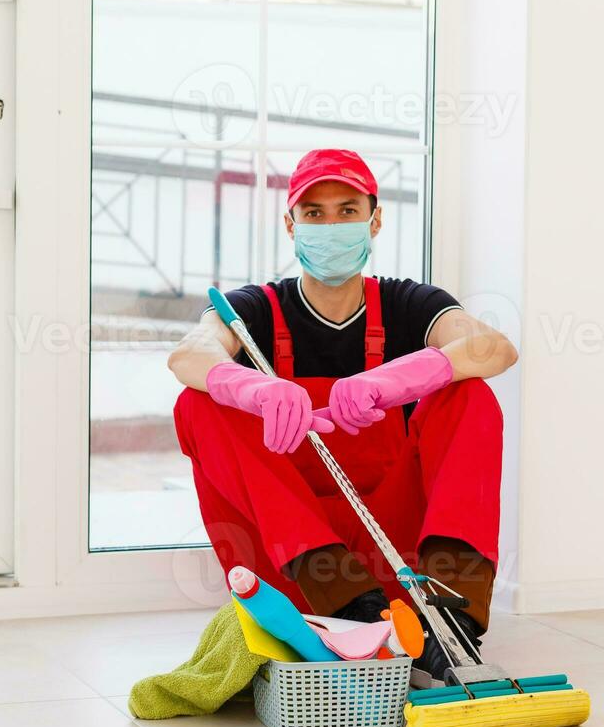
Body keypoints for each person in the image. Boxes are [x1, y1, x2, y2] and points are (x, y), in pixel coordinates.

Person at [168, 149, 518, 678]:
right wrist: (252, 390)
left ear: (375, 219)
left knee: (470, 395)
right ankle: (350, 610)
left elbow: (495, 349)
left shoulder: (410, 305)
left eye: (347, 210)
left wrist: (401, 377)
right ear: (291, 224)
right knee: (199, 403)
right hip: (298, 566)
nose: (331, 225)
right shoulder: (254, 310)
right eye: (314, 213)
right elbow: (189, 355)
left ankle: (452, 622)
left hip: (396, 558)